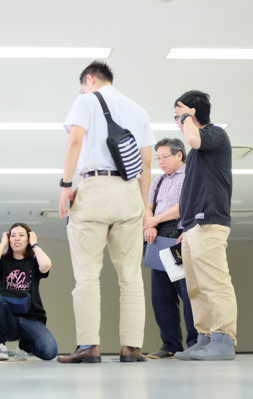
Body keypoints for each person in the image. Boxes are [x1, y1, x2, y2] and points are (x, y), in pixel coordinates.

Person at [57, 61, 156, 363]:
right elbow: (147, 165)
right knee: (131, 278)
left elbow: (75, 140)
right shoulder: (139, 111)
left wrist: (65, 185)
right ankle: (131, 348)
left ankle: (88, 346)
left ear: (89, 80)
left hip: (95, 189)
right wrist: (143, 208)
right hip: (129, 194)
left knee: (87, 276)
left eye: (83, 85)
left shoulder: (86, 100)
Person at [173, 90, 237, 361]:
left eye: (179, 116)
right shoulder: (199, 153)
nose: (177, 121)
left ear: (192, 114)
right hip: (191, 227)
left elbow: (191, 137)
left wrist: (187, 116)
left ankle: (224, 339)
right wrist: (184, 228)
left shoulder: (215, 135)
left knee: (215, 282)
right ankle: (205, 338)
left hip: (209, 222)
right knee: (195, 287)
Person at [143, 138, 197, 359]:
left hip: (177, 238)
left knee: (187, 293)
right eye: (158, 158)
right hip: (157, 240)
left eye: (165, 157)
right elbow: (148, 205)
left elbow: (183, 206)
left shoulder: (190, 177)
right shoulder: (157, 182)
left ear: (179, 155)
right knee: (161, 297)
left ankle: (195, 342)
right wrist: (150, 223)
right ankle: (170, 345)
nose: (160, 161)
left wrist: (154, 220)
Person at [0, 222, 58, 361]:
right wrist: (2, 244)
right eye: (13, 236)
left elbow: (46, 265)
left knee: (49, 352)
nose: (17, 238)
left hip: (32, 319)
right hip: (9, 319)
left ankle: (23, 345)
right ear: (8, 239)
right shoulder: (3, 261)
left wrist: (35, 244)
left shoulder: (34, 262)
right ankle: (0, 345)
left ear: (28, 239)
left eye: (21, 235)